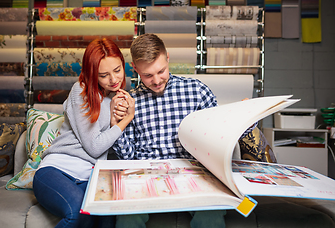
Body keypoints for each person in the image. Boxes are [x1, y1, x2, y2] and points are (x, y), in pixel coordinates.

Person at [112, 33, 256, 228]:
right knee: (127, 218)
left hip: (193, 173)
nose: (156, 80)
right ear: (135, 69)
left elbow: (217, 137)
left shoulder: (197, 91)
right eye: (147, 75)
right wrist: (117, 124)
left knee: (211, 217)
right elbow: (127, 158)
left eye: (161, 71)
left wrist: (242, 120)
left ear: (168, 58)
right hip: (146, 176)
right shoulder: (130, 101)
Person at [33, 38, 135, 228]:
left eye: (117, 70)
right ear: (92, 74)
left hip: (90, 177)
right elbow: (95, 147)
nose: (113, 79)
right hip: (57, 171)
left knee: (107, 216)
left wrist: (114, 122)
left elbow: (108, 149)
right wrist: (126, 120)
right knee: (79, 214)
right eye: (104, 75)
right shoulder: (81, 91)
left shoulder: (117, 98)